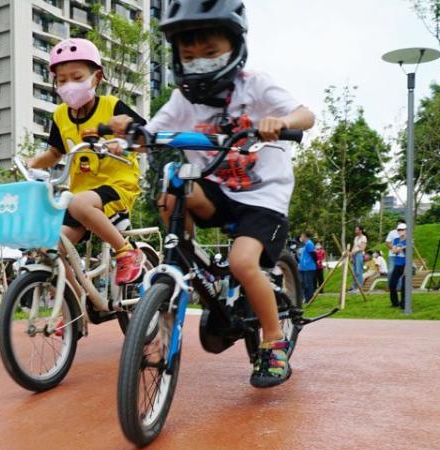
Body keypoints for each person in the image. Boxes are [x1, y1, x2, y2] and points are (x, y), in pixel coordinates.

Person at [112, 0, 315, 388]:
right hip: (217, 191)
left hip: (263, 198)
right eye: (189, 55)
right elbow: (150, 134)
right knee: (173, 190)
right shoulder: (181, 99)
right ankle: (185, 266)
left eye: (210, 52)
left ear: (235, 47)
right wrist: (131, 135)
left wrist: (281, 121)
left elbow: (306, 115)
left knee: (242, 263)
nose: (199, 61)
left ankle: (272, 343)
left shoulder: (255, 86)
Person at [26, 38, 146, 285]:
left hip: (117, 186)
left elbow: (145, 138)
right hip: (79, 197)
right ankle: (74, 308)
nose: (69, 85)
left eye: (77, 77)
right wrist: (31, 163)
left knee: (78, 204)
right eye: (62, 80)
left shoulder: (112, 106)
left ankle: (126, 252)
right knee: (50, 247)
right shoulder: (60, 115)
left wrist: (123, 142)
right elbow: (54, 153)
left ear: (97, 78)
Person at [388, 224, 407, 308]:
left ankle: (404, 304)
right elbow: (394, 251)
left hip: (405, 264)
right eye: (398, 230)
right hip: (397, 264)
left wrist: (400, 249)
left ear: (406, 230)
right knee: (392, 284)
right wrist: (400, 249)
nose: (400, 231)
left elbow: (408, 252)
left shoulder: (409, 240)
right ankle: (395, 303)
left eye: (402, 229)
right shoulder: (396, 240)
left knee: (404, 286)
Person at [298, 231, 318, 303]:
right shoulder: (305, 245)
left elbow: (314, 255)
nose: (301, 237)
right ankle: (306, 299)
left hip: (309, 268)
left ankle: (310, 299)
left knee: (308, 284)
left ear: (305, 236)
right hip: (303, 268)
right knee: (304, 284)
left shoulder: (309, 244)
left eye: (301, 236)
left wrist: (312, 263)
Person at [349, 226, 367, 292]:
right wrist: (351, 254)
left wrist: (355, 252)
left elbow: (362, 248)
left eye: (357, 230)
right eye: (355, 230)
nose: (355, 231)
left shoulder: (364, 238)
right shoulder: (356, 238)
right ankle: (354, 287)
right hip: (354, 255)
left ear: (360, 230)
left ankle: (360, 287)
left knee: (359, 271)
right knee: (354, 272)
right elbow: (354, 247)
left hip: (359, 255)